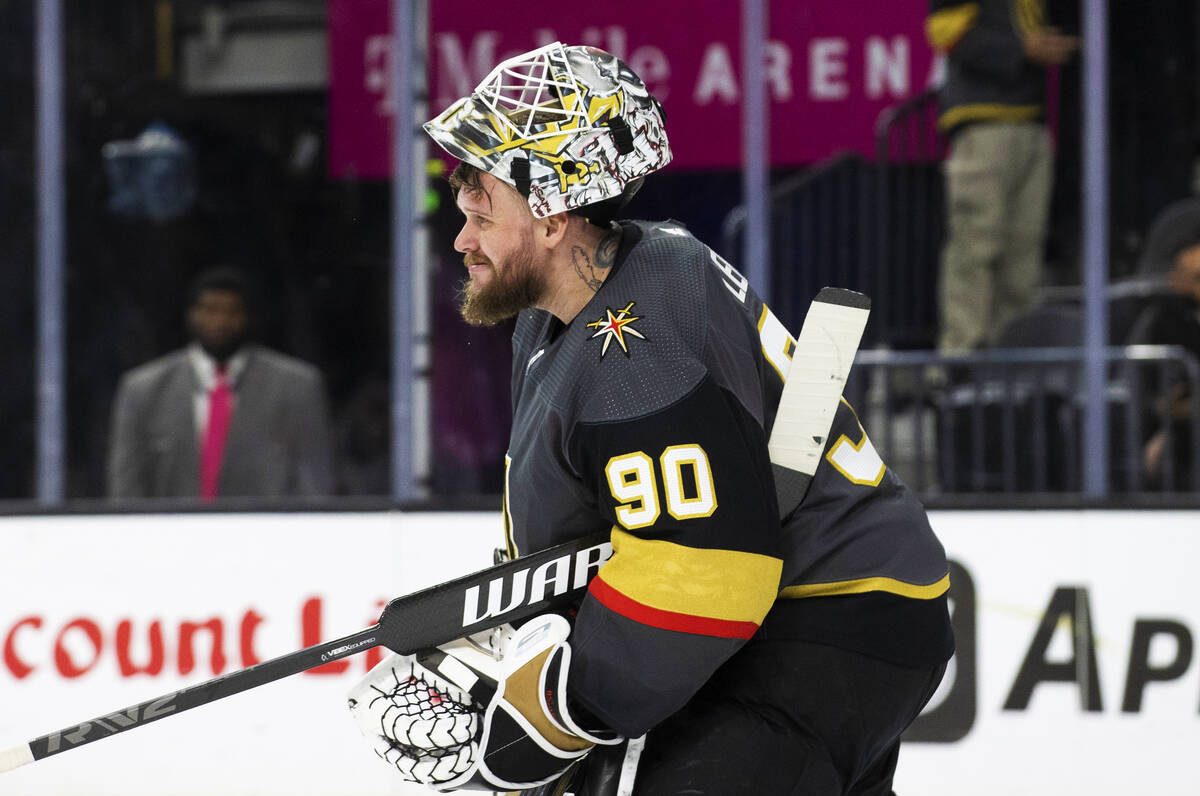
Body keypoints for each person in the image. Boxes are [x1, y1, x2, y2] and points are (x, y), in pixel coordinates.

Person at [348, 43, 953, 794]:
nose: (462, 238)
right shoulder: (578, 307)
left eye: (483, 211)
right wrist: (505, 647)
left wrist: (549, 713)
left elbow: (706, 572)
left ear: (551, 216)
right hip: (814, 619)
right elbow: (613, 534)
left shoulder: (640, 344)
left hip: (825, 619)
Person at [926, 0, 1079, 353]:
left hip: (1033, 121)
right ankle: (960, 364)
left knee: (1023, 255)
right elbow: (945, 31)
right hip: (983, 122)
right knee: (976, 247)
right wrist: (1020, 47)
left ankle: (1013, 362)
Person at [107, 265, 334, 500]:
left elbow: (315, 483)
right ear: (191, 314)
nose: (220, 322)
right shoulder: (143, 390)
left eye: (231, 311)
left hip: (266, 532)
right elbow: (125, 488)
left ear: (247, 316)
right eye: (209, 310)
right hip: (171, 533)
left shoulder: (296, 387)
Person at [1127, 236, 1200, 488]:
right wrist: (1166, 427)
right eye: (1197, 277)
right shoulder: (1164, 323)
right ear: (1176, 280)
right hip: (1182, 432)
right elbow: (1163, 402)